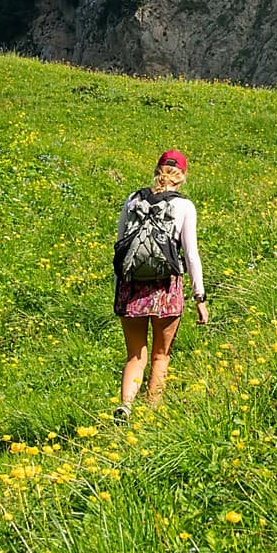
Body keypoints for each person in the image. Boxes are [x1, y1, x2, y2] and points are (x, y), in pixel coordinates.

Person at [112, 149, 208, 423]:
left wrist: (118, 290)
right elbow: (190, 254)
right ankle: (151, 415)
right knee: (160, 355)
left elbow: (120, 247)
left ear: (156, 171)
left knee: (134, 356)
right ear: (183, 176)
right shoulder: (184, 207)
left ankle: (126, 406)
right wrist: (199, 296)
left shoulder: (132, 200)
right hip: (166, 289)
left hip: (131, 289)